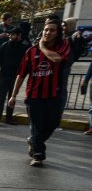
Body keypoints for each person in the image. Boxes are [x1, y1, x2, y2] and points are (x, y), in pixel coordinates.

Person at [8, 16, 71, 167]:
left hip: (55, 94)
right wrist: (13, 95)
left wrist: (42, 46)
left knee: (53, 123)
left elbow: (57, 59)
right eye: (46, 30)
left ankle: (34, 140)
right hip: (34, 95)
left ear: (58, 33)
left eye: (52, 30)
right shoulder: (31, 51)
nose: (47, 33)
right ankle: (38, 154)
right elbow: (21, 74)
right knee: (36, 125)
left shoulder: (62, 46)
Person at [0, 26, 28, 126]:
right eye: (10, 34)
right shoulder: (5, 45)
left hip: (16, 78)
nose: (10, 36)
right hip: (3, 76)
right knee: (1, 98)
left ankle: (9, 117)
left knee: (12, 97)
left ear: (19, 35)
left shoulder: (25, 48)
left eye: (13, 34)